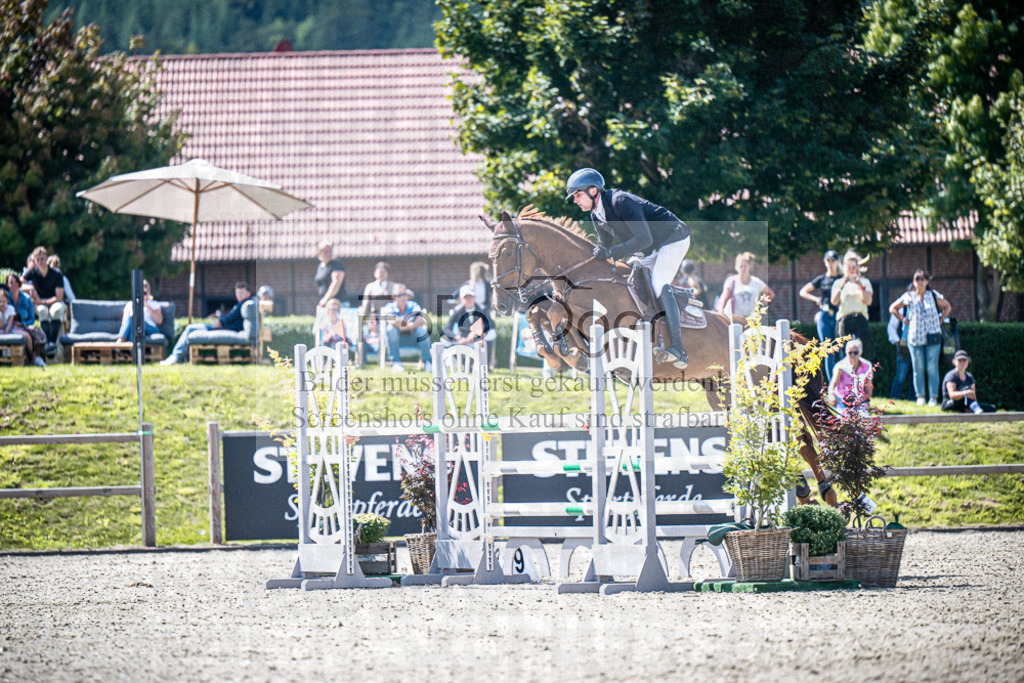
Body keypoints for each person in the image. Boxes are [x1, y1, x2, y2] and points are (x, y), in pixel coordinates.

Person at [565, 167, 690, 368]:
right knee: (625, 278)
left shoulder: (620, 201)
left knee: (658, 283)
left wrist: (611, 253)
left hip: (673, 238)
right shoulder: (596, 215)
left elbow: (643, 238)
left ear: (594, 191)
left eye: (578, 195)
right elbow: (604, 246)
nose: (575, 200)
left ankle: (677, 348)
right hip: (649, 249)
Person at [888, 269, 951, 407]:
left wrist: (940, 320)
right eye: (917, 279)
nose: (920, 282)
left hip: (933, 336)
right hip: (915, 337)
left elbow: (947, 306)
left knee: (932, 367)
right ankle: (920, 396)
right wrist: (903, 319)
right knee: (918, 368)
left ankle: (933, 398)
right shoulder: (909, 296)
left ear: (927, 281)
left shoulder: (933, 295)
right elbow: (892, 308)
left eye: (922, 279)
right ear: (914, 282)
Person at [161, 282, 256, 364]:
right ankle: (178, 356)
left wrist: (220, 320)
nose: (239, 295)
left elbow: (228, 319)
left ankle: (175, 357)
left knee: (190, 328)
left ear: (248, 293)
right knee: (192, 328)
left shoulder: (242, 305)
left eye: (242, 293)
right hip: (223, 327)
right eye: (237, 293)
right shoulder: (245, 304)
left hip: (224, 328)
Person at [799, 250, 842, 380]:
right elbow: (803, 292)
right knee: (827, 351)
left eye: (833, 261)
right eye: (828, 261)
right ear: (825, 262)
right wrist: (816, 299)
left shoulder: (842, 278)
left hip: (840, 316)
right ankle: (831, 385)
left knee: (842, 350)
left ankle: (846, 385)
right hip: (824, 315)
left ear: (838, 262)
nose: (830, 264)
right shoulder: (822, 279)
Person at [21, 245, 66, 352]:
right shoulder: (32, 272)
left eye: (42, 258)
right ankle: (49, 342)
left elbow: (59, 297)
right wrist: (30, 287)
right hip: (40, 303)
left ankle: (53, 342)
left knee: (57, 311)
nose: (40, 261)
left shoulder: (56, 274)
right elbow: (19, 283)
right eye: (38, 259)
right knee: (42, 311)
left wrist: (43, 301)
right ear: (35, 261)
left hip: (54, 301)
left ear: (46, 259)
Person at [380, 284, 433, 373]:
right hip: (396, 340)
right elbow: (392, 321)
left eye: (405, 294)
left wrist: (402, 325)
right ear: (394, 297)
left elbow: (422, 321)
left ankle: (428, 362)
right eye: (399, 295)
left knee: (422, 330)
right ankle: (396, 363)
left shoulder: (414, 306)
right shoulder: (389, 307)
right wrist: (411, 325)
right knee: (391, 329)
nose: (403, 297)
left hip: (413, 338)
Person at [830, 249, 872, 358]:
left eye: (854, 267)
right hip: (844, 320)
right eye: (849, 268)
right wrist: (843, 283)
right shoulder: (838, 283)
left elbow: (868, 301)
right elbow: (834, 301)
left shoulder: (865, 282)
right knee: (845, 353)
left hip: (860, 319)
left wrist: (860, 285)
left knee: (862, 353)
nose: (852, 270)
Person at [716, 252, 776, 320]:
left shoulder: (756, 282)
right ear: (736, 267)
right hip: (736, 319)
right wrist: (721, 314)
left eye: (745, 266)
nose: (743, 268)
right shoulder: (731, 281)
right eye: (741, 266)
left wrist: (760, 306)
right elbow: (724, 298)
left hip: (753, 319)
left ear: (749, 266)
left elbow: (771, 294)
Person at [4, 274, 46, 366]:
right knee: (27, 336)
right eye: (11, 282)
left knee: (39, 334)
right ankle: (31, 359)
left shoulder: (26, 299)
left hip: (24, 325)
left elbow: (32, 319)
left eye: (15, 282)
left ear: (19, 284)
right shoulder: (4, 298)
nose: (14, 284)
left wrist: (22, 324)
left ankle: (38, 357)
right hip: (9, 326)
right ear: (7, 285)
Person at [827, 338, 873, 415]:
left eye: (855, 352)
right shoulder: (840, 366)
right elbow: (832, 385)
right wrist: (831, 395)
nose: (852, 355)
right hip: (843, 401)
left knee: (864, 420)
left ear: (860, 353)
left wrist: (865, 399)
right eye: (849, 353)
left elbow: (869, 388)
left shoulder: (867, 366)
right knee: (844, 421)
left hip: (860, 401)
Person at [942, 350, 995, 414]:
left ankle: (971, 409)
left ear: (967, 362)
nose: (962, 363)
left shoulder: (969, 376)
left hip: (966, 402)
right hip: (950, 402)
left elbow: (973, 395)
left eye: (964, 360)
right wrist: (965, 393)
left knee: (992, 408)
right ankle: (972, 409)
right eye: (959, 360)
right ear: (954, 362)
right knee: (966, 398)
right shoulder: (951, 376)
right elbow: (952, 395)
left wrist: (970, 396)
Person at [887, 286, 913, 400]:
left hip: (920, 345)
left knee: (916, 377)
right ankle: (894, 399)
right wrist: (897, 342)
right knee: (900, 377)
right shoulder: (901, 309)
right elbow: (891, 327)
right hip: (904, 347)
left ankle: (914, 401)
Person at [314, 241, 349, 308]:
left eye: (330, 251)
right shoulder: (320, 267)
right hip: (327, 304)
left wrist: (325, 299)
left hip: (338, 304)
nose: (329, 253)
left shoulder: (336, 265)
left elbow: (336, 283)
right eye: (326, 251)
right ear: (319, 253)